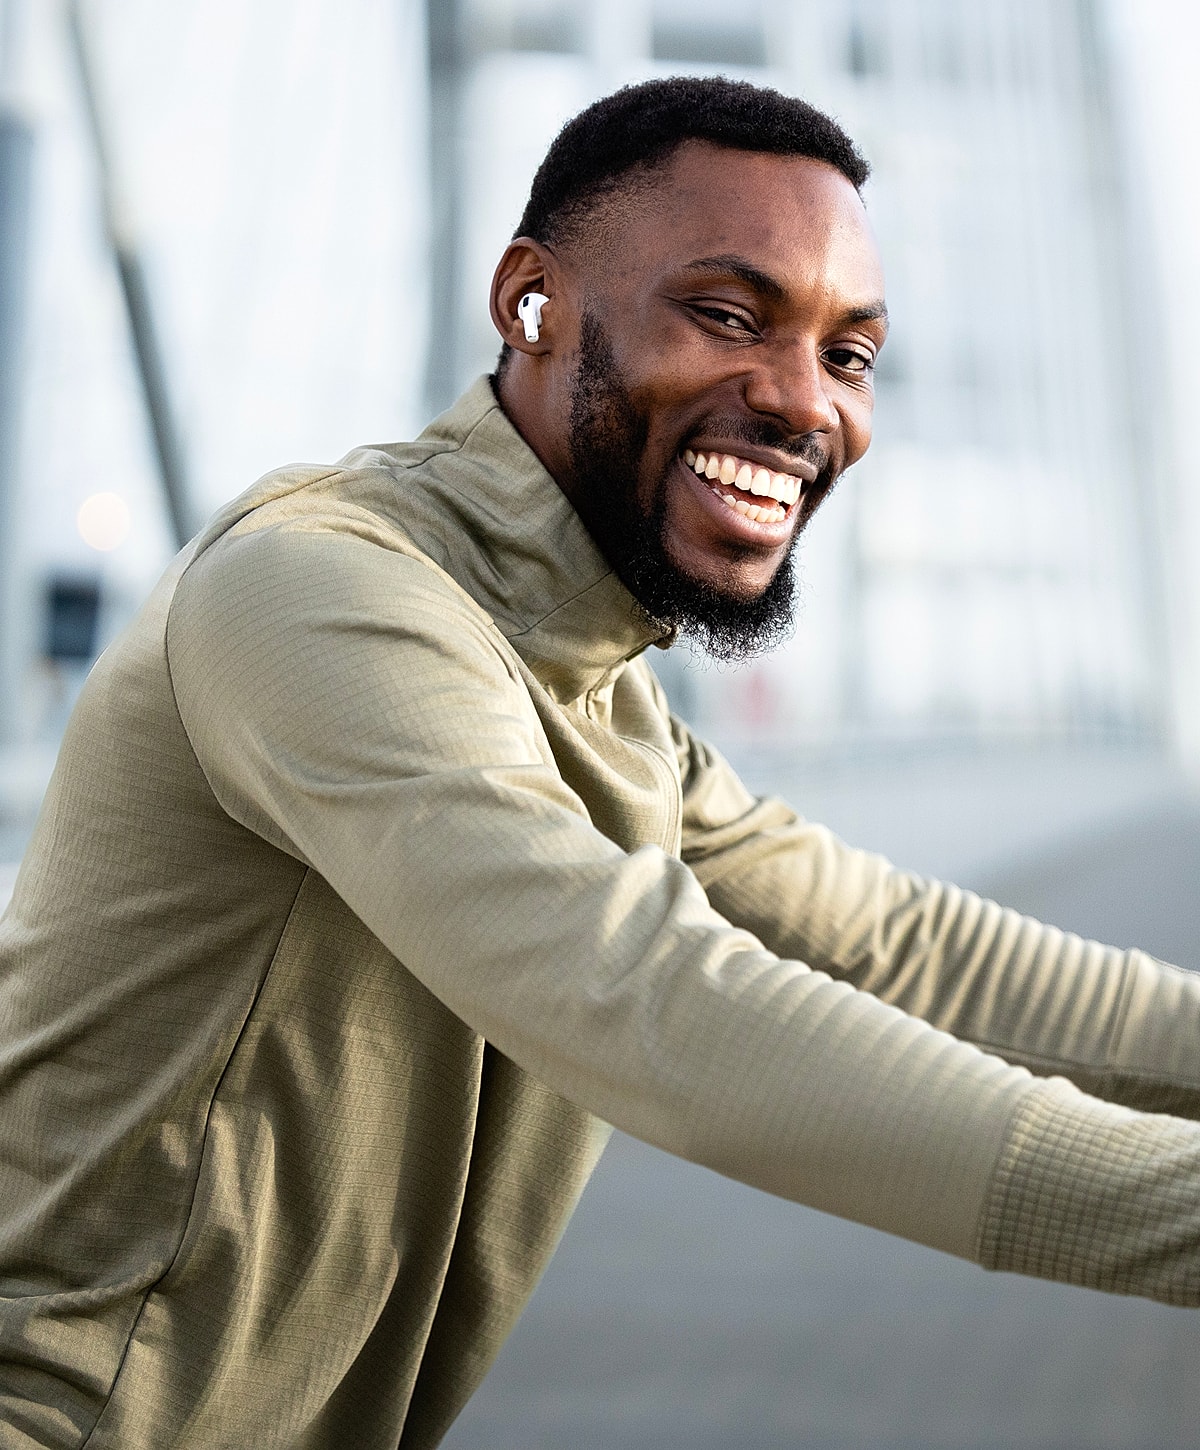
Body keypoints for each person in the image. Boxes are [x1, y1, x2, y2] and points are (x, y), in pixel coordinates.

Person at [1, 74, 1199, 1450]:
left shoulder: (591, 689)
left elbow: (901, 948)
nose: (803, 404)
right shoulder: (314, 594)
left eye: (849, 355)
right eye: (729, 316)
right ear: (532, 303)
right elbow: (654, 998)